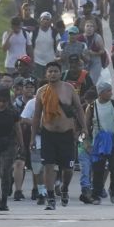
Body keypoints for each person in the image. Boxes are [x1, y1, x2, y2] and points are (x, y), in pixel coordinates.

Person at [31, 61, 82, 210]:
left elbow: (79, 109)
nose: (52, 74)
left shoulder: (69, 88)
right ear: (46, 74)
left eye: (55, 71)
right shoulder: (41, 91)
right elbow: (36, 116)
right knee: (48, 166)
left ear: (60, 73)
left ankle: (64, 188)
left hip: (66, 134)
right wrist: (33, 137)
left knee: (68, 169)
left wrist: (83, 128)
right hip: (48, 134)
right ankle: (51, 197)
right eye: (50, 71)